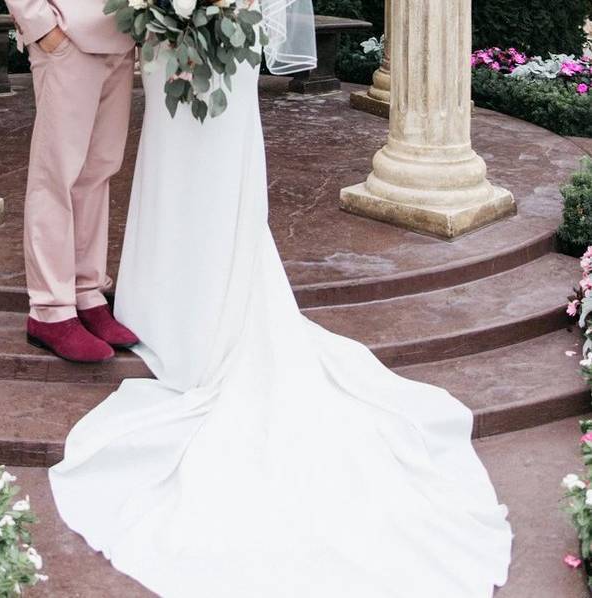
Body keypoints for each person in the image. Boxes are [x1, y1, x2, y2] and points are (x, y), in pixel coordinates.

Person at [46, 0, 514, 596]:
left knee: (213, 170)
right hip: (164, 46)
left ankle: (208, 305)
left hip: (223, 46)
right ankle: (154, 302)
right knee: (165, 163)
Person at [5, 0, 140, 363]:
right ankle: (50, 310)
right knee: (56, 176)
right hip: (65, 37)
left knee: (98, 171)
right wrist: (40, 25)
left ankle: (87, 292)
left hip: (121, 34)